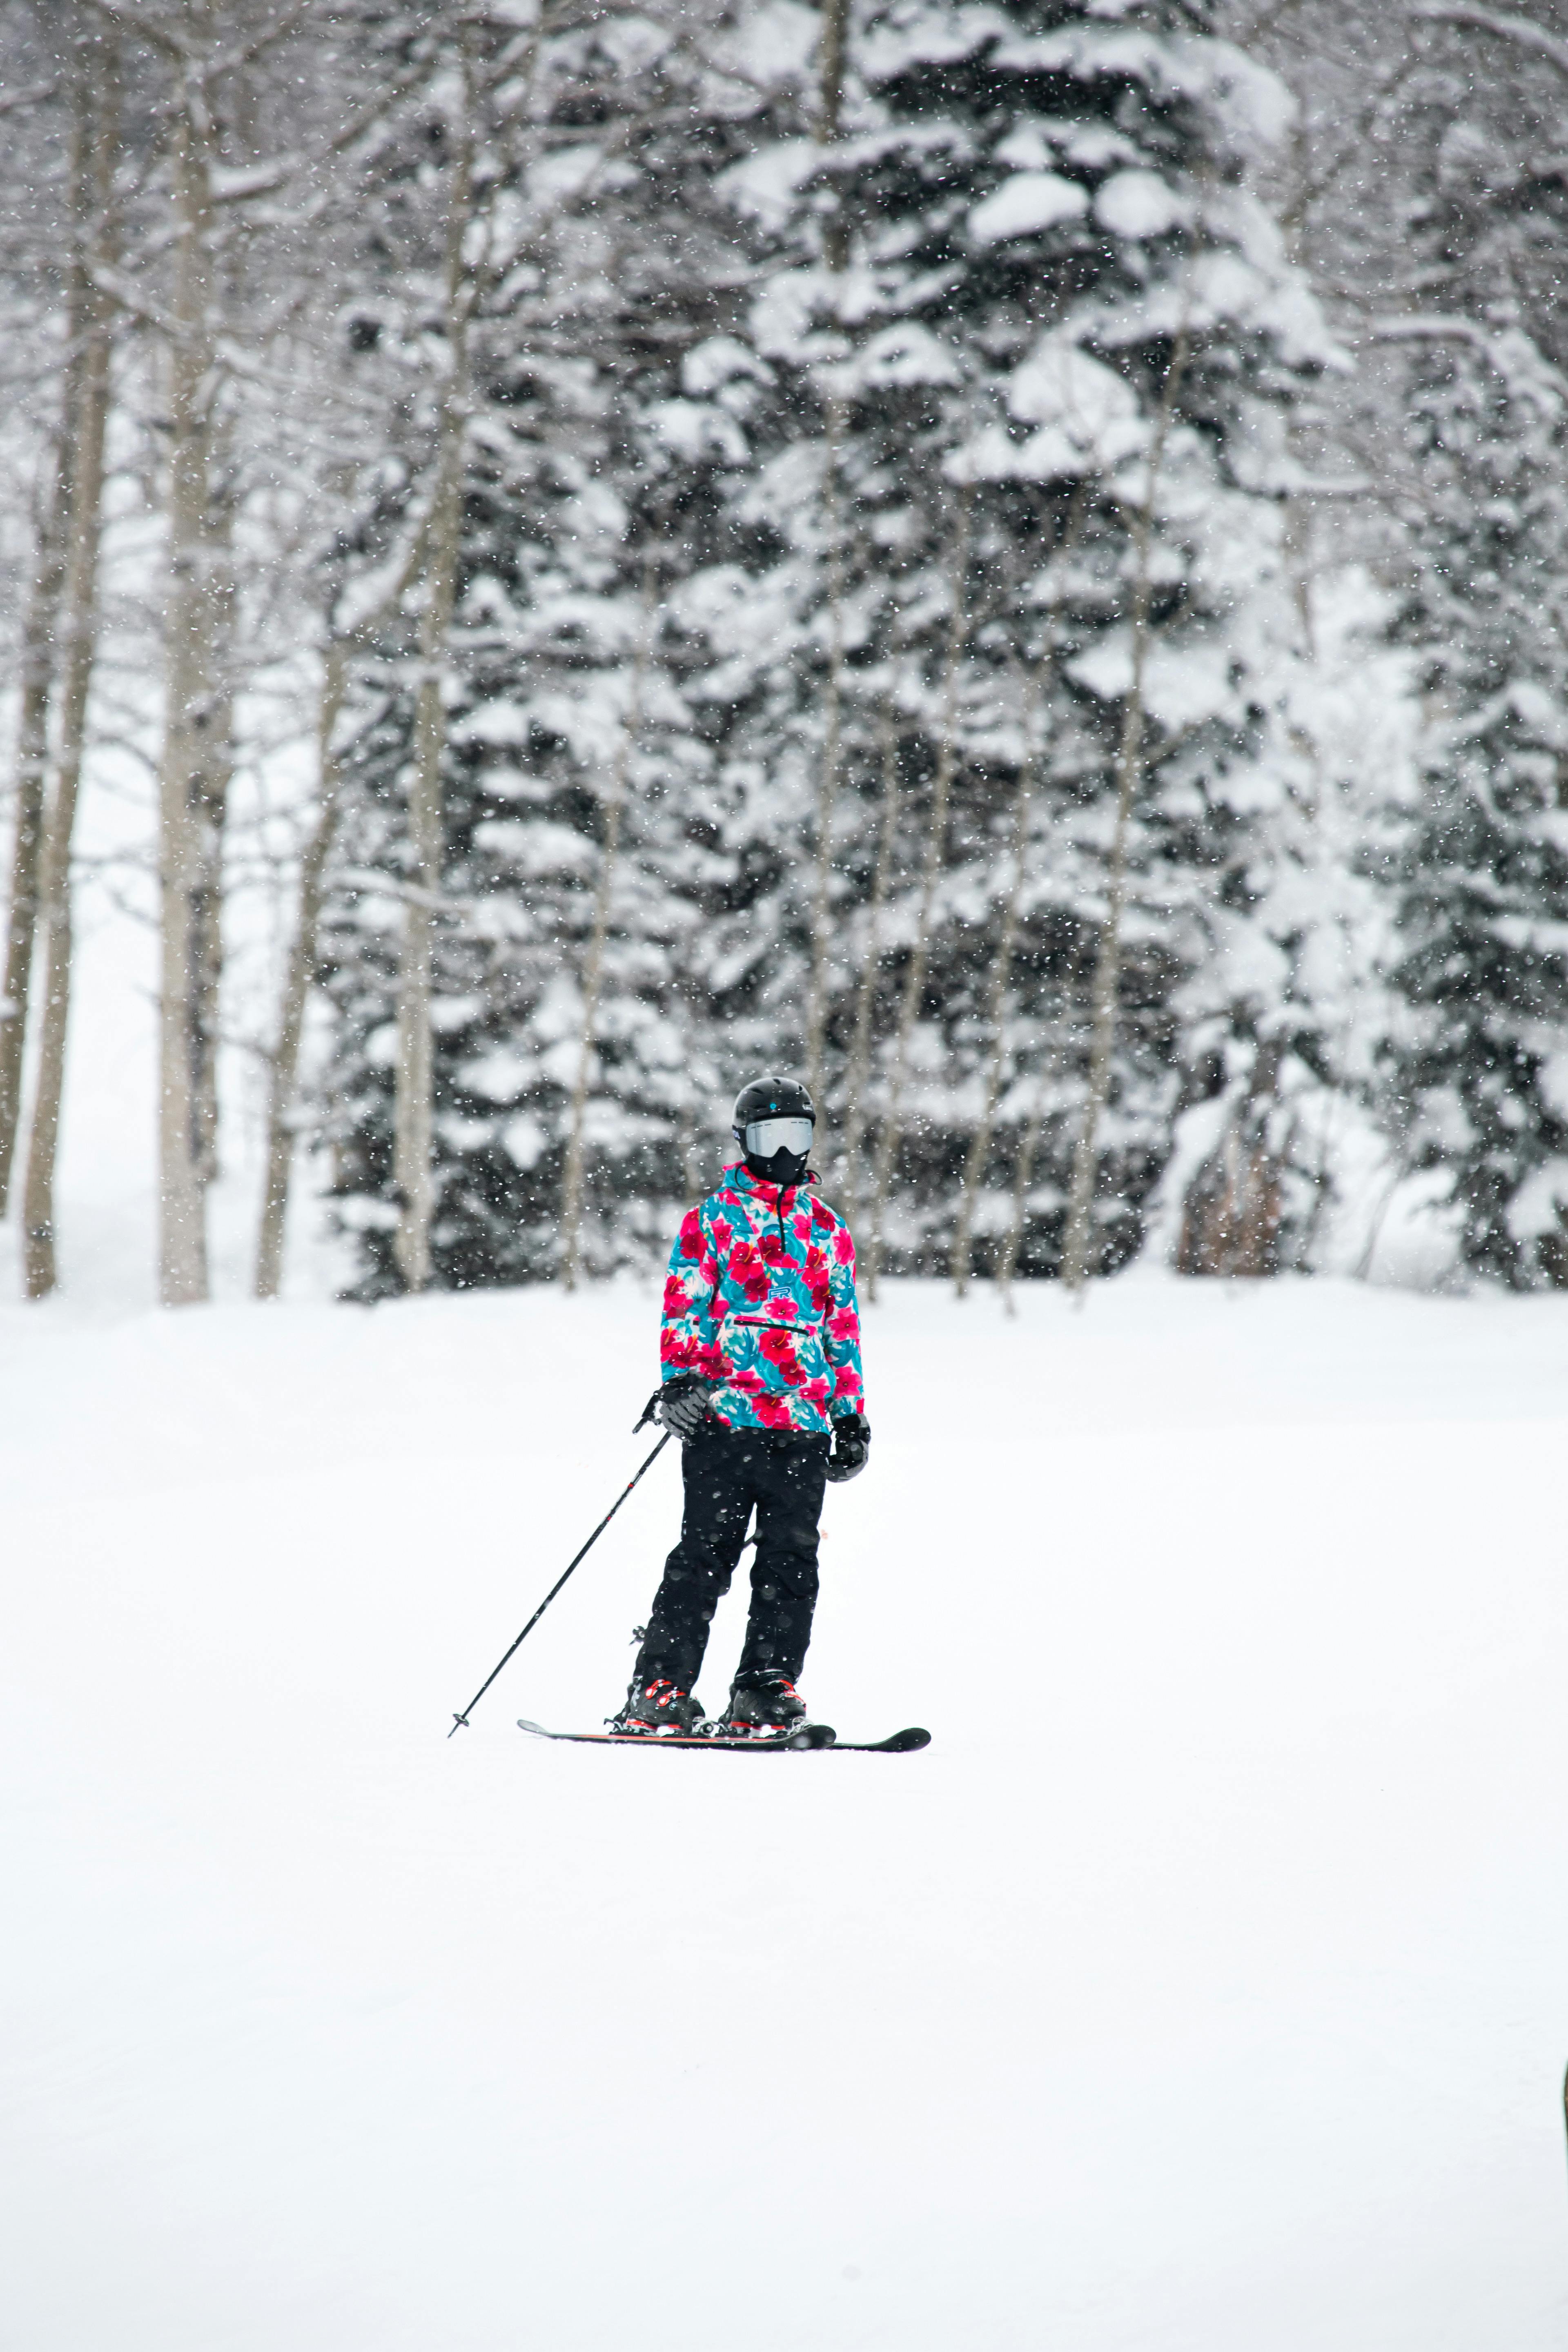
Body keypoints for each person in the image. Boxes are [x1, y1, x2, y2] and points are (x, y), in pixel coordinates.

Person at [614, 1075, 871, 1737]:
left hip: (802, 1425)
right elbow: (685, 1303)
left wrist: (849, 1415)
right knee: (705, 1557)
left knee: (792, 1562)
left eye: (797, 1135)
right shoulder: (713, 1219)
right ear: (743, 1142)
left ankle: (765, 1687)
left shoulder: (827, 1230)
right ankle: (660, 1688)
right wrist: (679, 1382)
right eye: (769, 1137)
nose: (784, 1153)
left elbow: (841, 1328)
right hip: (725, 1420)